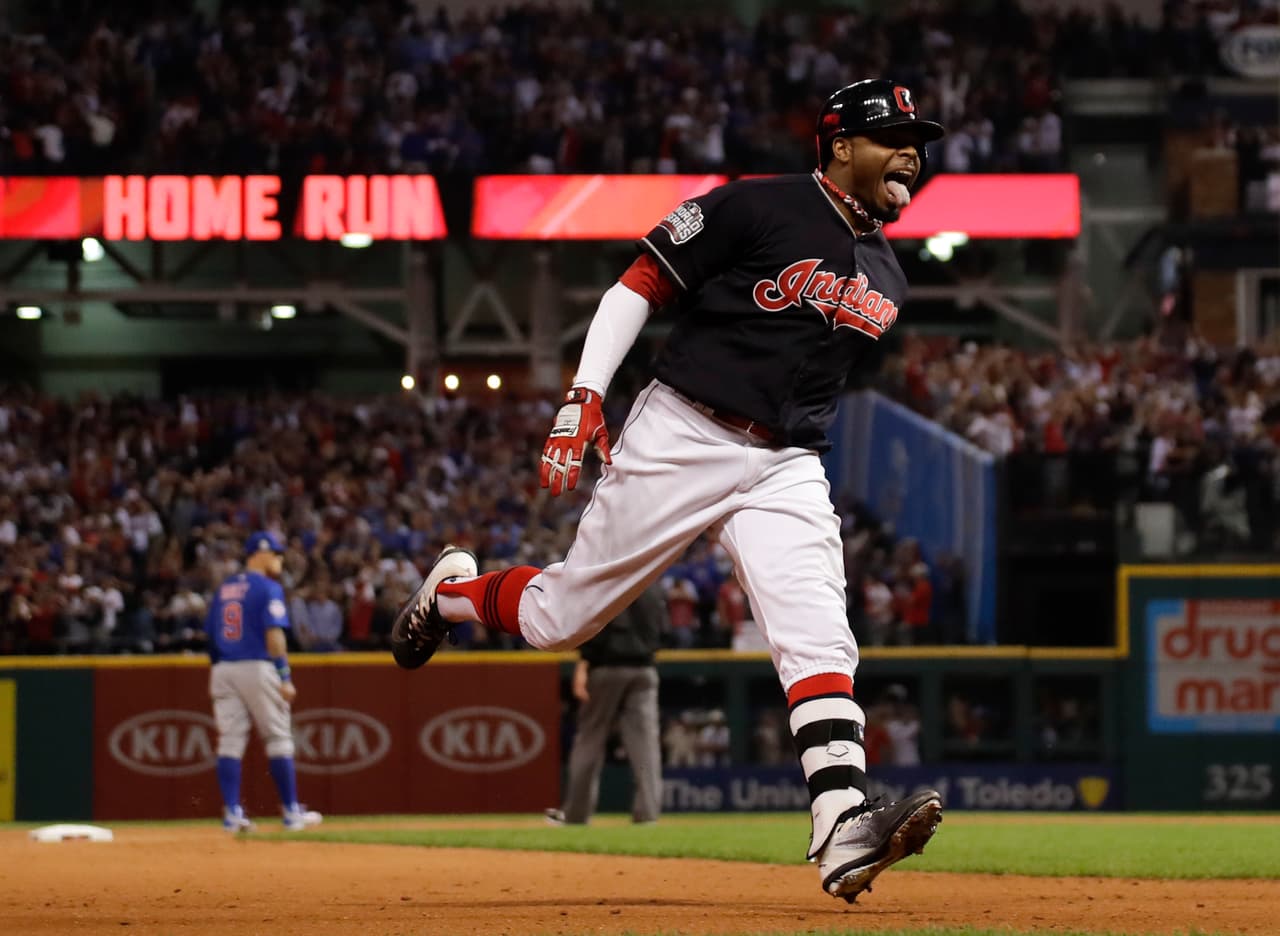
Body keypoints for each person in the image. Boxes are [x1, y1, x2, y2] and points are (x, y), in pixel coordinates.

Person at [392, 78, 944, 903]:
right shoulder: (758, 206)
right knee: (558, 619)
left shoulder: (889, 276)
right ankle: (454, 594)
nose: (913, 151)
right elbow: (636, 287)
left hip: (787, 460)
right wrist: (584, 394)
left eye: (918, 139)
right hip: (684, 429)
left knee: (819, 632)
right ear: (838, 145)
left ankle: (840, 822)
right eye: (892, 134)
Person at [205, 531, 322, 833]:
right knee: (278, 737)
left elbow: (211, 636)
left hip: (223, 668)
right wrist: (285, 676)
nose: (279, 559)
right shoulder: (268, 588)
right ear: (259, 553)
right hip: (258, 665)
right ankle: (291, 812)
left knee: (230, 740)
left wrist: (222, 666)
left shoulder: (225, 589)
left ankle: (232, 813)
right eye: (276, 553)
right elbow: (275, 636)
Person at [544, 582, 665, 826]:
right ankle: (648, 814)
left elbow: (595, 627)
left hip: (605, 667)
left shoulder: (612, 580)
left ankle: (577, 815)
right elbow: (664, 630)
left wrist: (585, 662)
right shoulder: (652, 585)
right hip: (644, 669)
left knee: (590, 738)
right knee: (645, 744)